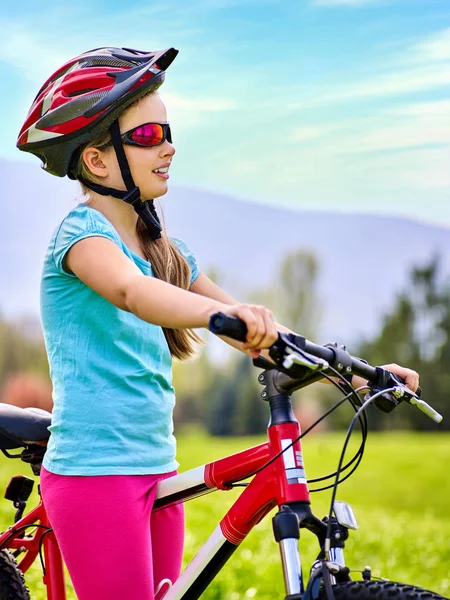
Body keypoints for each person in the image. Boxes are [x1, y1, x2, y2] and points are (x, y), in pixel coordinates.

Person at [17, 46, 420, 600]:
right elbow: (134, 293)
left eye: (168, 131)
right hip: (96, 475)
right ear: (97, 161)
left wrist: (356, 375)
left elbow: (263, 340)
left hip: (159, 471)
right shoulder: (81, 238)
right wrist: (219, 315)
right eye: (147, 135)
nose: (169, 146)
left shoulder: (167, 252)